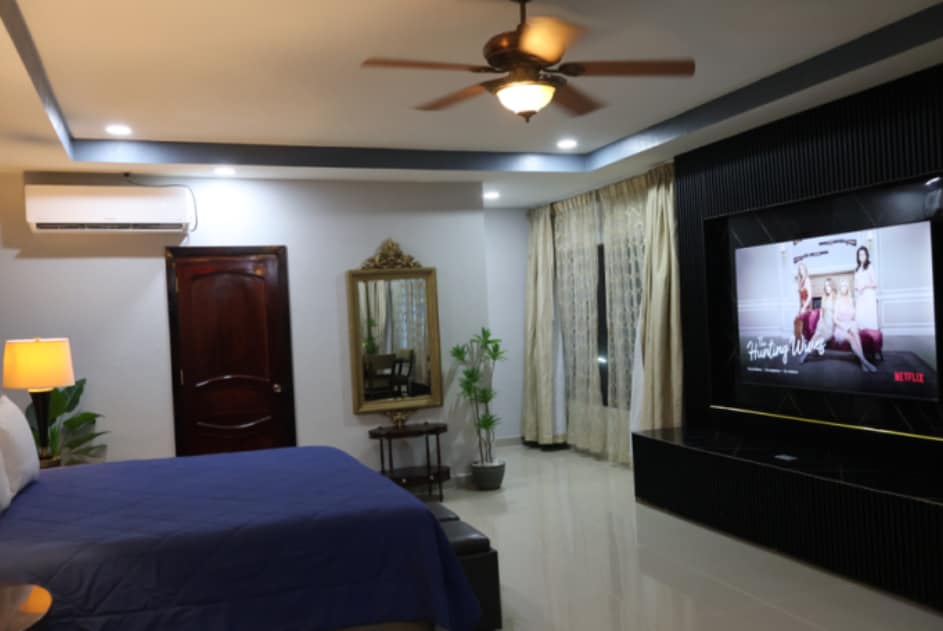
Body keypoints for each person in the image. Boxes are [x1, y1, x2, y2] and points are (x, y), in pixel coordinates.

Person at [834, 278, 878, 372]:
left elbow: (853, 317)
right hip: (841, 327)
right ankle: (865, 362)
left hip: (850, 324)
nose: (843, 287)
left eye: (845, 285)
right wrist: (845, 327)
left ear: (847, 287)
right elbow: (834, 319)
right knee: (851, 338)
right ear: (840, 288)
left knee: (855, 334)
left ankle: (862, 363)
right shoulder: (837, 300)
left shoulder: (851, 300)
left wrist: (854, 324)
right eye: (842, 286)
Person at [800, 278, 835, 363]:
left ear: (832, 286)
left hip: (830, 324)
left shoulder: (836, 297)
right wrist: (820, 321)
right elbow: (822, 311)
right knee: (815, 336)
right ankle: (805, 355)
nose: (827, 288)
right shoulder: (824, 297)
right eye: (825, 286)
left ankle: (808, 352)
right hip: (823, 322)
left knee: (820, 340)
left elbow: (837, 314)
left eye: (828, 285)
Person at [854, 245, 878, 330]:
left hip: (868, 295)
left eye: (863, 254)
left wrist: (864, 286)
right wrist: (856, 288)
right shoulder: (857, 269)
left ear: (866, 255)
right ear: (858, 256)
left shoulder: (869, 266)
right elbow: (855, 284)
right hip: (860, 296)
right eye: (860, 255)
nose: (862, 256)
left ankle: (871, 335)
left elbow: (875, 284)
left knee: (868, 318)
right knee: (860, 319)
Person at [794, 262, 813, 340]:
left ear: (805, 269)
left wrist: (804, 308)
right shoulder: (800, 281)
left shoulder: (807, 280)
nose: (801, 271)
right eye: (800, 269)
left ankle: (807, 342)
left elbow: (810, 296)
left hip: (806, 306)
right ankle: (802, 342)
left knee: (804, 326)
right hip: (801, 306)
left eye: (802, 269)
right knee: (799, 325)